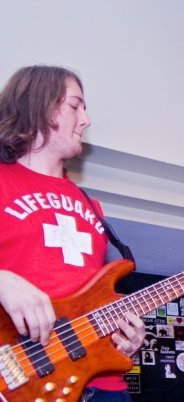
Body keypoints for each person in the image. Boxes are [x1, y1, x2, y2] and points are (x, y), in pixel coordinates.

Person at [0, 65, 146, 401]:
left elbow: (89, 296)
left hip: (104, 384)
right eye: (75, 105)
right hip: (21, 377)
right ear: (40, 104)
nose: (86, 120)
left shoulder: (91, 205)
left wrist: (125, 339)